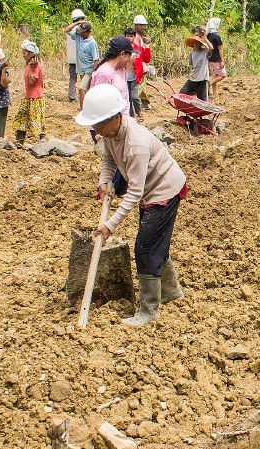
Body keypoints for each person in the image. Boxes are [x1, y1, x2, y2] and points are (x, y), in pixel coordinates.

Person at [77, 84, 188, 327]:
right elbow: (108, 159)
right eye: (94, 126)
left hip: (164, 191)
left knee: (145, 248)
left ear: (116, 117)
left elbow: (134, 192)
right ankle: (170, 291)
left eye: (100, 125)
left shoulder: (135, 143)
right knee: (155, 242)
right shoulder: (109, 134)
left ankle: (149, 310)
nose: (96, 130)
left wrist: (109, 226)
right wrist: (104, 180)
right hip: (150, 191)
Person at [90, 36, 133, 118]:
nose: (129, 59)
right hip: (105, 125)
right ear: (122, 54)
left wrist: (126, 117)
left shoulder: (121, 70)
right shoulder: (104, 74)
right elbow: (100, 103)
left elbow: (125, 95)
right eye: (129, 55)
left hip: (120, 121)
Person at [12, 40, 46, 144]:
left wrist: (31, 68)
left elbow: (32, 81)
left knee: (35, 120)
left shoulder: (34, 65)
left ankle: (42, 141)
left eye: (24, 52)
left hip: (35, 98)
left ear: (31, 54)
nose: (23, 55)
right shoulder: (29, 64)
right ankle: (19, 141)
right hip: (29, 97)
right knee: (22, 118)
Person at [63, 19, 99, 110]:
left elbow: (96, 60)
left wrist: (94, 73)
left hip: (89, 70)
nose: (81, 33)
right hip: (81, 69)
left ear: (88, 32)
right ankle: (90, 109)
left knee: (81, 88)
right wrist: (77, 23)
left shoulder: (92, 43)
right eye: (80, 31)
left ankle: (83, 111)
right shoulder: (78, 37)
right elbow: (66, 30)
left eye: (83, 32)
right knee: (87, 91)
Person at [181, 28, 212, 103]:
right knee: (182, 93)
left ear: (201, 44)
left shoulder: (205, 52)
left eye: (198, 43)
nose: (196, 44)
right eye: (195, 43)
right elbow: (192, 66)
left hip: (202, 79)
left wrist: (205, 39)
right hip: (193, 78)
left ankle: (203, 112)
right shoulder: (192, 54)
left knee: (203, 101)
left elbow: (211, 48)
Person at [124, 28, 146, 121]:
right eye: (128, 36)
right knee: (127, 97)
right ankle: (131, 116)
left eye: (132, 36)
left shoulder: (137, 49)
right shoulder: (122, 48)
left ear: (134, 37)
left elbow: (142, 59)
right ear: (125, 36)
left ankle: (139, 113)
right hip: (124, 77)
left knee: (135, 97)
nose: (130, 38)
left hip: (134, 77)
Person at [133, 15, 153, 110]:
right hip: (137, 64)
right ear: (136, 26)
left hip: (141, 64)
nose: (143, 27)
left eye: (144, 25)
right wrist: (140, 65)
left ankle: (143, 102)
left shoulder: (141, 37)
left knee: (142, 85)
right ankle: (137, 104)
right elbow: (136, 52)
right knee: (138, 86)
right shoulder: (136, 37)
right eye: (141, 25)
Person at [66, 9, 87, 103]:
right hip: (79, 58)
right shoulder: (78, 30)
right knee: (83, 78)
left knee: (73, 78)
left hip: (72, 58)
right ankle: (83, 96)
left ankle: (72, 97)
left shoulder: (72, 29)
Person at [206, 17, 227, 98]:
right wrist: (222, 61)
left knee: (215, 75)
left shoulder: (208, 36)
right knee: (223, 75)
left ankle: (215, 94)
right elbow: (220, 49)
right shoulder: (217, 37)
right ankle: (208, 85)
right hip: (216, 59)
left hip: (210, 59)